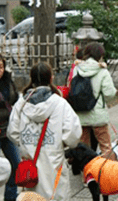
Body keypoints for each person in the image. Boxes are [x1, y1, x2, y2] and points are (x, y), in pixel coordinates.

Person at [8, 62, 82, 200]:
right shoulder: (60, 103)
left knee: (31, 197)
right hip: (54, 164)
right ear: (51, 78)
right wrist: (62, 143)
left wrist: (25, 143)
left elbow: (12, 132)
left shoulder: (21, 104)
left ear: (31, 79)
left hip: (30, 168)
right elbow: (73, 134)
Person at [72, 42, 117, 161]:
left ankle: (87, 175)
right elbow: (109, 93)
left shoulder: (77, 69)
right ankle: (108, 173)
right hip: (98, 115)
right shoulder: (102, 71)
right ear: (100, 55)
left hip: (81, 113)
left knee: (84, 147)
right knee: (106, 146)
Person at [0, 54, 19, 201]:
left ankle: (10, 197)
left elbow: (15, 99)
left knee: (15, 165)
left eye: (0, 67)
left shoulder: (7, 81)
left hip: (7, 130)